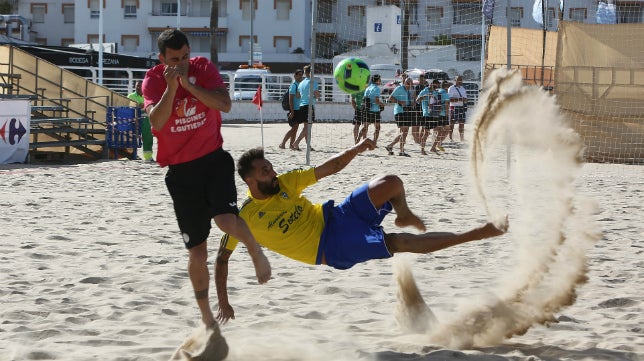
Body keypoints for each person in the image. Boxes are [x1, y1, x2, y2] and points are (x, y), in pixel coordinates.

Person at [214, 139, 508, 323]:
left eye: (271, 167)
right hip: (330, 248)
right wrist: (224, 302)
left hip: (336, 215)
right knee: (398, 242)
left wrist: (355, 148)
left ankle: (403, 214)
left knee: (390, 182)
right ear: (250, 181)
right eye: (266, 171)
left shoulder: (287, 182)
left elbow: (331, 166)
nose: (273, 173)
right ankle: (474, 234)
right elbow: (221, 260)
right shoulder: (245, 218)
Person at [142, 29, 272, 330]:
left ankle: (256, 252)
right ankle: (206, 316)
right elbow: (156, 121)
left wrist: (188, 83)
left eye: (185, 56)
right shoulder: (153, 80)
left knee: (226, 221)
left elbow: (224, 105)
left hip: (213, 160)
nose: (182, 63)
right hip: (180, 174)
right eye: (175, 59)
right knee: (197, 252)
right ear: (162, 59)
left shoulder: (202, 68)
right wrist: (173, 88)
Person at [292, 65, 320, 151]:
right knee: (308, 127)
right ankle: (296, 143)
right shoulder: (313, 82)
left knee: (306, 127)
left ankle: (308, 145)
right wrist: (316, 95)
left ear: (305, 73)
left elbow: (298, 95)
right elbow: (317, 95)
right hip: (309, 106)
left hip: (302, 106)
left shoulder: (301, 83)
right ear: (311, 72)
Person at [385, 77, 415, 157]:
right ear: (404, 83)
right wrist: (399, 102)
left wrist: (411, 104)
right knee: (404, 131)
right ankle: (394, 147)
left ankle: (397, 148)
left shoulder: (408, 90)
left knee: (405, 132)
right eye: (408, 84)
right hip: (399, 111)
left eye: (411, 84)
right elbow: (390, 98)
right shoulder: (399, 88)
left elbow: (406, 101)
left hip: (406, 111)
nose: (409, 85)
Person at [127, 80, 154, 161]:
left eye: (140, 86)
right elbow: (127, 108)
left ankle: (148, 157)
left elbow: (153, 106)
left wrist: (145, 106)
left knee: (148, 138)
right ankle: (133, 155)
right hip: (134, 120)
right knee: (132, 138)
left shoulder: (148, 96)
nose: (138, 87)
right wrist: (137, 106)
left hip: (146, 120)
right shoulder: (130, 96)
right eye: (137, 86)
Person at [279, 69, 304, 149]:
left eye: (301, 75)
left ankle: (291, 145)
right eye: (299, 75)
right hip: (293, 110)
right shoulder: (294, 85)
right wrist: (292, 112)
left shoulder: (300, 85)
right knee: (294, 128)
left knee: (295, 128)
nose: (301, 76)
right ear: (295, 76)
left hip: (298, 109)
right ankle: (282, 143)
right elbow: (290, 100)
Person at [359, 74, 385, 145]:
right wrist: (382, 104)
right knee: (377, 128)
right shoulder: (377, 89)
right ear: (377, 81)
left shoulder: (368, 88)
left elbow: (365, 98)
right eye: (380, 79)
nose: (380, 81)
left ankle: (360, 141)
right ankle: (374, 142)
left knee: (365, 127)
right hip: (375, 110)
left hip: (367, 109)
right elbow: (376, 101)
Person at [448, 76, 468, 142]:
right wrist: (459, 99)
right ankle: (450, 138)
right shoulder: (451, 88)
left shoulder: (463, 88)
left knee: (462, 123)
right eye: (458, 80)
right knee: (452, 123)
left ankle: (462, 138)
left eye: (461, 80)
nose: (460, 81)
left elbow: (465, 99)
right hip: (454, 107)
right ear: (455, 80)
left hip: (461, 107)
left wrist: (465, 100)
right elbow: (449, 99)